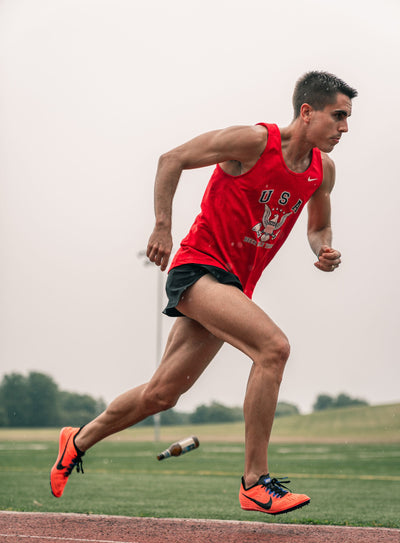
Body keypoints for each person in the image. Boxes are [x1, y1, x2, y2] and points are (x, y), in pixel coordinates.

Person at [50, 71, 357, 515]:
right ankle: (255, 481)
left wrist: (323, 248)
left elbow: (318, 225)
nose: (345, 128)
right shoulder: (253, 143)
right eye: (339, 116)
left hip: (232, 284)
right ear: (307, 112)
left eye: (348, 119)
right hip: (198, 268)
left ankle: (75, 440)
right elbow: (171, 159)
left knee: (162, 394)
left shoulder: (321, 170)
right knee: (273, 348)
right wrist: (162, 225)